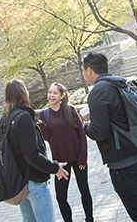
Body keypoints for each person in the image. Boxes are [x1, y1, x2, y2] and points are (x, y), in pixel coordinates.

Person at [81, 53, 137, 222]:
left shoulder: (98, 92)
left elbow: (99, 131)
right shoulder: (121, 83)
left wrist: (86, 126)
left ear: (89, 70)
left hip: (125, 165)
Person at [2, 79, 69, 222]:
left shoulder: (5, 118)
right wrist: (55, 167)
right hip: (34, 182)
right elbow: (31, 155)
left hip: (19, 182)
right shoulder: (24, 116)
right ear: (23, 93)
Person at [37, 83, 94, 222]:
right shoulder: (44, 114)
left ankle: (89, 219)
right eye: (50, 92)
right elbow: (46, 139)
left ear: (62, 95)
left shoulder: (70, 110)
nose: (51, 95)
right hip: (60, 162)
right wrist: (42, 128)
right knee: (61, 197)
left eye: (55, 93)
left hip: (78, 157)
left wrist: (83, 157)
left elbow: (81, 134)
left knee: (84, 190)